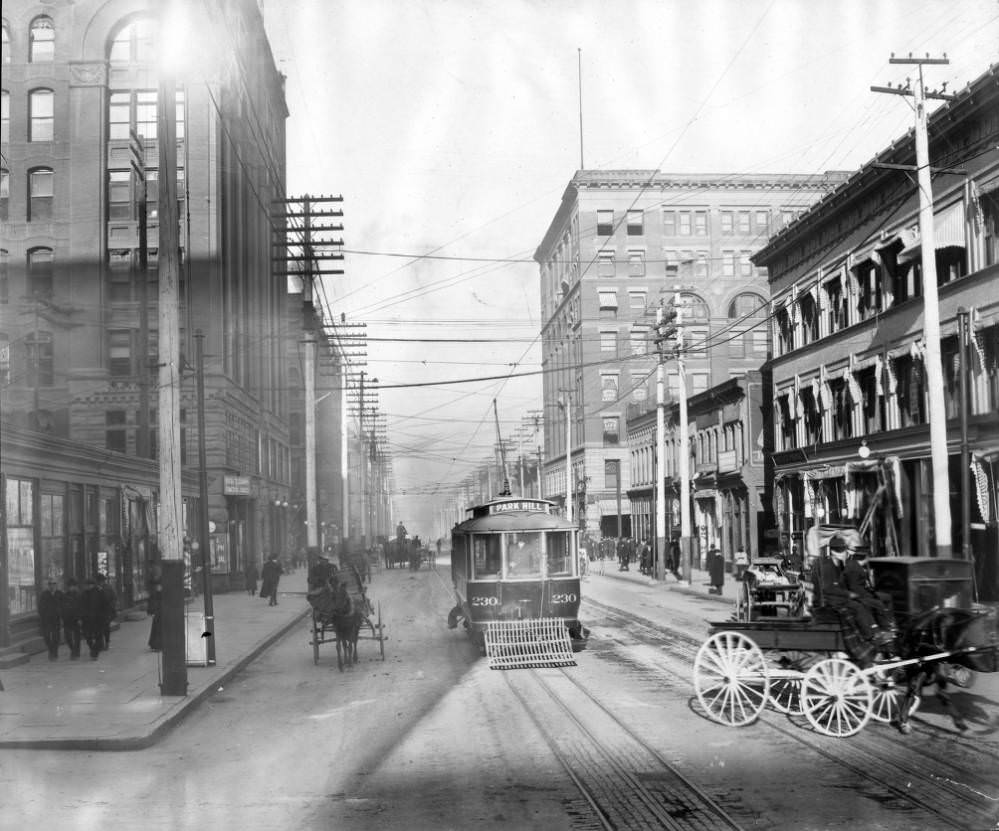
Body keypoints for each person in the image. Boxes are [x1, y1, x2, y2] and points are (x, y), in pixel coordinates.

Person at [80, 576, 111, 659]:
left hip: (98, 619)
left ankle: (94, 653)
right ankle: (93, 649)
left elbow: (106, 604)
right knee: (88, 637)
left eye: (88, 585)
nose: (86, 587)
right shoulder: (83, 594)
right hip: (87, 619)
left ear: (92, 585)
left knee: (98, 637)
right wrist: (81, 617)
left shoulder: (100, 592)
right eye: (86, 585)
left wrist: (105, 616)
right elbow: (81, 606)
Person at [38, 578, 63, 660]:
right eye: (50, 584)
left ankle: (54, 652)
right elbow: (40, 607)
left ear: (56, 585)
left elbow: (64, 605)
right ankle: (51, 649)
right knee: (47, 636)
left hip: (56, 619)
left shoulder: (60, 594)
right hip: (46, 619)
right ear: (48, 585)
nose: (52, 586)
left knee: (56, 637)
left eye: (54, 584)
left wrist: (61, 615)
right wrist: (42, 616)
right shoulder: (44, 594)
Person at [60, 578, 83, 659]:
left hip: (76, 619)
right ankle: (73, 650)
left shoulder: (79, 595)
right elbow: (62, 607)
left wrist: (80, 618)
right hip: (67, 619)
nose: (71, 588)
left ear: (76, 586)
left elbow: (81, 608)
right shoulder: (65, 595)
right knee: (68, 636)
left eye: (73, 586)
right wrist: (62, 618)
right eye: (70, 586)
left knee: (77, 637)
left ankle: (76, 652)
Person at [95, 573, 117, 648]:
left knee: (106, 628)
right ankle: (101, 643)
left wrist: (111, 607)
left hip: (106, 611)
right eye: (99, 581)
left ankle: (107, 642)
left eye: (102, 581)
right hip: (98, 612)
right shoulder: (95, 589)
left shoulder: (108, 588)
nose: (101, 582)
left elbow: (113, 598)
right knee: (99, 629)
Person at [147, 565, 163, 651]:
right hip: (159, 607)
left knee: (157, 626)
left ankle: (155, 644)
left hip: (157, 607)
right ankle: (157, 644)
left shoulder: (154, 584)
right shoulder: (157, 584)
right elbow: (154, 597)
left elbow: (152, 597)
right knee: (158, 626)